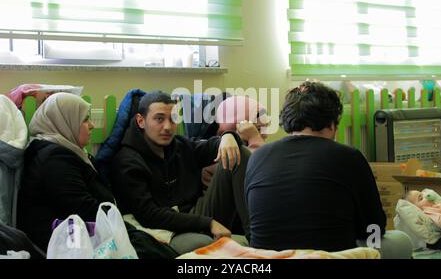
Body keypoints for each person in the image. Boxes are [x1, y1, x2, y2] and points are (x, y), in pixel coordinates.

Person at [245, 81, 413, 259]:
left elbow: (253, 222)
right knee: (401, 239)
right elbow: (374, 227)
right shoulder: (349, 156)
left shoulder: (257, 156)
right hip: (332, 255)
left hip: (266, 257)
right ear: (332, 123)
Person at [17, 92, 178, 258]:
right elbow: (87, 210)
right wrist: (135, 235)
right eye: (85, 119)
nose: (92, 125)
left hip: (87, 234)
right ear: (66, 122)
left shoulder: (66, 152)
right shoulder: (54, 161)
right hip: (71, 244)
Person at [110, 90, 251, 254]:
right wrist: (208, 223)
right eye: (159, 119)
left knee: (239, 152)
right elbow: (149, 215)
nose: (168, 127)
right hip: (161, 229)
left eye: (173, 119)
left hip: (194, 215)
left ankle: (257, 237)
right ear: (141, 121)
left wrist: (228, 136)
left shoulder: (179, 145)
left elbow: (212, 146)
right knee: (202, 244)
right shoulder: (127, 161)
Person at [201, 95, 269, 188]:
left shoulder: (254, 146)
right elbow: (263, 174)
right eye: (258, 129)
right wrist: (254, 138)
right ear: (236, 127)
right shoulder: (218, 161)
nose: (265, 135)